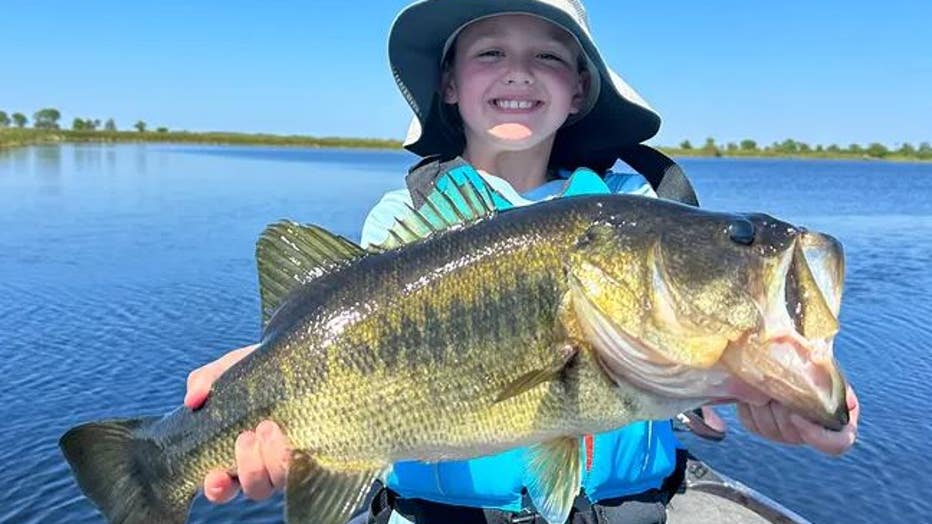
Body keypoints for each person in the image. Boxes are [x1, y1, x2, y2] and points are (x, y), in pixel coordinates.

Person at [184, 1, 860, 522]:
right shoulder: (400, 221)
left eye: (547, 55)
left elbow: (684, 360)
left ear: (580, 90)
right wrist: (253, 381)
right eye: (490, 52)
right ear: (448, 84)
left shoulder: (632, 205)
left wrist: (798, 395)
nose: (518, 71)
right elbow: (350, 348)